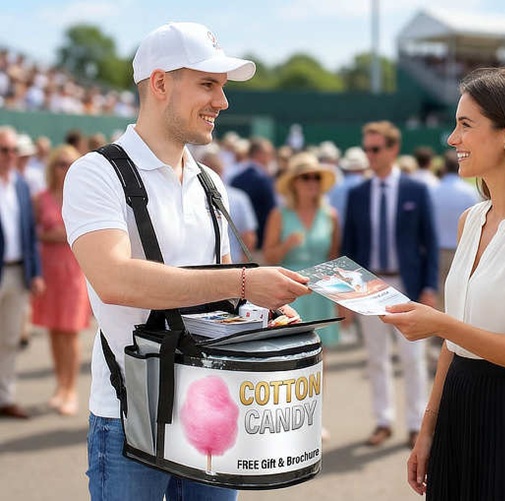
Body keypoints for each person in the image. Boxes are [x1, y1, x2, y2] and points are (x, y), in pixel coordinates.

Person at [62, 22, 311, 500]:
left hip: (212, 412)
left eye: (221, 87)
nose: (222, 102)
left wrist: (263, 312)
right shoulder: (95, 173)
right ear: (160, 84)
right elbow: (113, 279)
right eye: (207, 84)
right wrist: (243, 283)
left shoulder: (209, 182)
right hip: (130, 421)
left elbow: (218, 300)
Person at [381, 67, 505, 500]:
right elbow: (453, 348)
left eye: (465, 125)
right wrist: (427, 428)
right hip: (458, 411)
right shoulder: (470, 220)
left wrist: (440, 324)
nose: (452, 139)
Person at [340, 120, 438, 447]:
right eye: (367, 148)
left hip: (407, 285)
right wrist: (345, 295)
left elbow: (430, 242)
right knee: (376, 358)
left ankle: (415, 423)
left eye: (376, 149)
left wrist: (429, 288)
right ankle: (383, 420)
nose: (370, 155)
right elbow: (350, 247)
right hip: (368, 287)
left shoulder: (416, 189)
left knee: (413, 359)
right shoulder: (357, 194)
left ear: (393, 149)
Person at [32, 144, 92, 416]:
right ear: (51, 167)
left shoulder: (83, 197)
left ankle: (70, 390)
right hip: (49, 271)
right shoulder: (41, 198)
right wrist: (51, 235)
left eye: (70, 164)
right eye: (60, 164)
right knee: (54, 332)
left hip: (75, 271)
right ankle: (59, 386)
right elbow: (31, 233)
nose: (65, 169)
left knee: (70, 332)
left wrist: (61, 234)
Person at [263, 153, 341, 345]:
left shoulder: (330, 215)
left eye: (317, 177)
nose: (312, 182)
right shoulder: (279, 215)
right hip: (289, 291)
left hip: (321, 291)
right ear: (294, 183)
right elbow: (268, 257)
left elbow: (334, 259)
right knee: (288, 351)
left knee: (320, 353)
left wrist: (341, 301)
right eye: (306, 177)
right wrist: (286, 245)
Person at [0, 126, 45, 420]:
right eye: (4, 150)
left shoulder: (19, 184)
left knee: (10, 338)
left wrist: (36, 272)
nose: (10, 156)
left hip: (17, 273)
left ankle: (5, 397)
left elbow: (29, 233)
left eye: (14, 150)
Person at [431, 150, 479, 311]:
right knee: (459, 294)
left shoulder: (433, 190)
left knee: (439, 293)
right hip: (461, 250)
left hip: (437, 250)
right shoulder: (470, 192)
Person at [230, 137, 277, 249]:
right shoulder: (263, 179)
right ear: (259, 154)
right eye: (269, 153)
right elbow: (272, 211)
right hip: (258, 242)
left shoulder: (236, 176)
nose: (271, 157)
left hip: (237, 241)